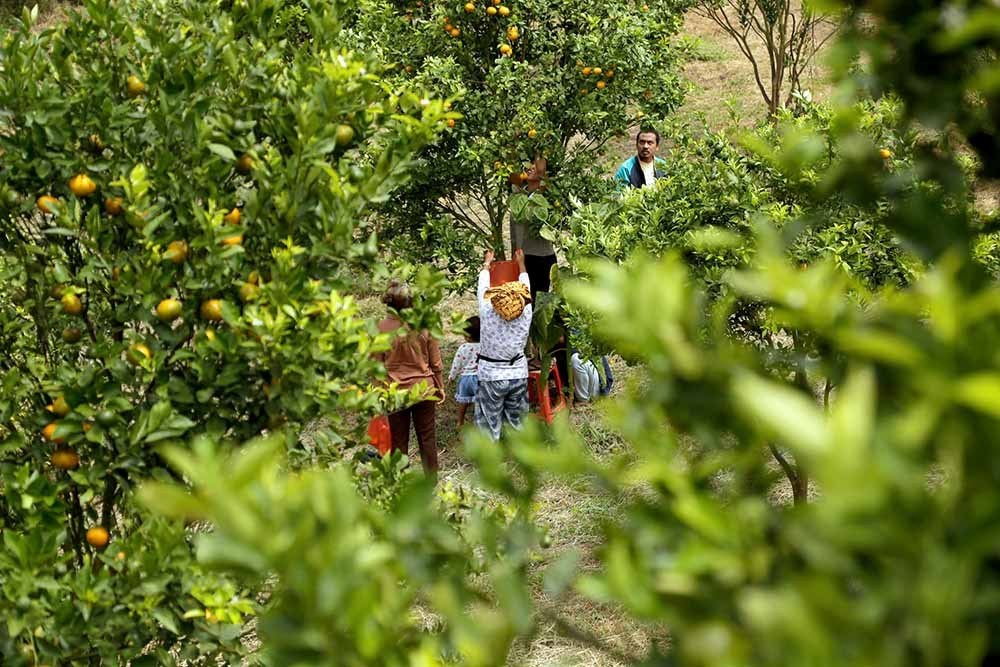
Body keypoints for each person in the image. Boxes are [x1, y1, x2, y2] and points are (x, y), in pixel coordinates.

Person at [377, 280, 444, 474]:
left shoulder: (380, 327)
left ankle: (401, 481)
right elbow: (436, 362)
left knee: (398, 440)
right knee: (427, 437)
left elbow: (376, 366)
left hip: (395, 391)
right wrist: (439, 387)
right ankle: (430, 482)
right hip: (424, 389)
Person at [476, 248, 532, 440]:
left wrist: (487, 263)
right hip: (518, 373)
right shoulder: (526, 312)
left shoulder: (487, 310)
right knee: (518, 422)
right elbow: (527, 288)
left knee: (488, 422)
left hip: (491, 374)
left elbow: (482, 288)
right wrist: (521, 265)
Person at [510, 156, 557, 299]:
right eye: (528, 164)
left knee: (534, 306)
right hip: (520, 258)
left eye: (535, 164)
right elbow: (511, 171)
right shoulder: (518, 194)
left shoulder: (548, 196)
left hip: (540, 258)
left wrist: (542, 172)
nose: (530, 167)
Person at [448, 316, 480, 429]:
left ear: (467, 335)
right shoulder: (485, 346)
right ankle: (478, 424)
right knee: (479, 402)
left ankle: (460, 421)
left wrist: (451, 377)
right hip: (480, 379)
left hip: (465, 379)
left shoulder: (463, 348)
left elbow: (456, 364)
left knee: (463, 402)